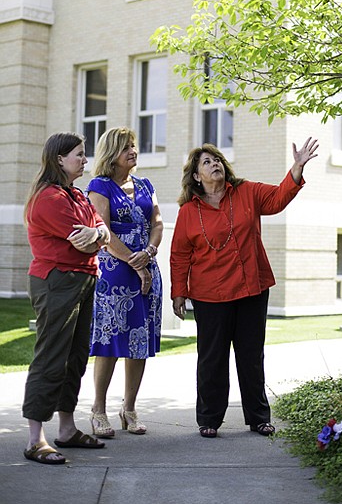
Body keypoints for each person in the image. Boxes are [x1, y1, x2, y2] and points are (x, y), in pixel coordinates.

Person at [171, 137, 319, 438]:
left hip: (251, 288)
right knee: (212, 358)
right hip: (209, 295)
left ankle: (258, 416)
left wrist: (297, 167)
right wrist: (178, 292)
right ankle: (209, 419)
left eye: (217, 160)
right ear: (197, 176)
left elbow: (278, 199)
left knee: (251, 356)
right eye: (207, 162)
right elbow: (180, 254)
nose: (215, 164)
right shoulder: (188, 211)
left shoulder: (247, 192)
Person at [22, 132, 111, 465]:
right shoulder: (49, 199)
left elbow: (100, 228)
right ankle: (35, 438)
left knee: (75, 357)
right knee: (52, 356)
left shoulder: (76, 195)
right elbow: (83, 241)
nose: (85, 160)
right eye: (79, 154)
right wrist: (96, 235)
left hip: (84, 279)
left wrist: (98, 233)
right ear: (59, 159)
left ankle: (66, 430)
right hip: (57, 280)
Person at [87, 127, 163, 438]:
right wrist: (135, 261)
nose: (133, 151)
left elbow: (156, 222)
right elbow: (102, 230)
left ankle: (129, 408)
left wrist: (149, 252)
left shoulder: (146, 185)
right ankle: (98, 409)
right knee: (109, 343)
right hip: (115, 275)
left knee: (138, 343)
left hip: (147, 267)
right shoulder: (99, 186)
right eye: (126, 147)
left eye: (133, 145)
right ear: (111, 153)